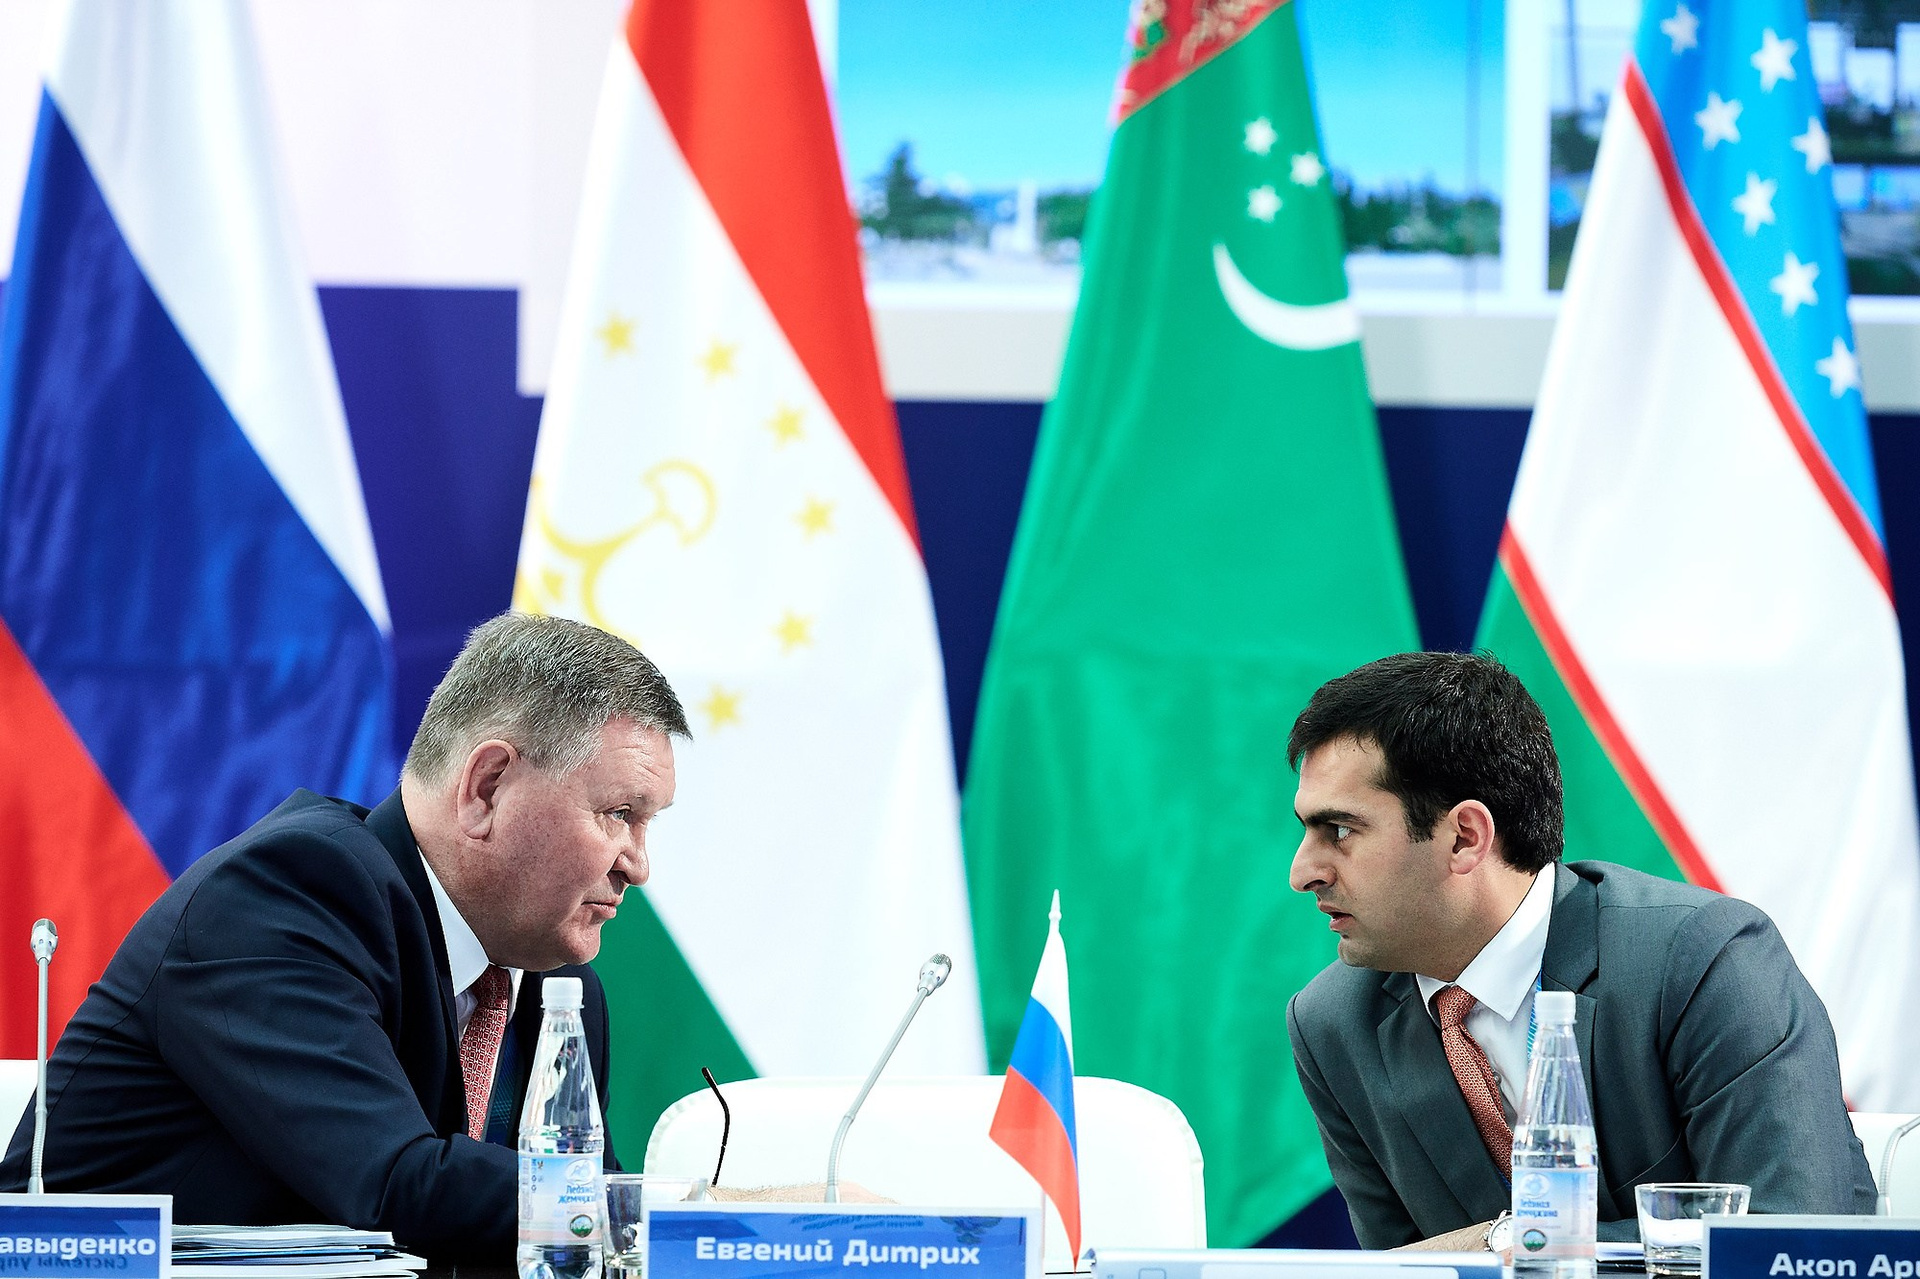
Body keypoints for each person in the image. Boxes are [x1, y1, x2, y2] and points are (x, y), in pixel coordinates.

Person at [0, 612, 686, 1261]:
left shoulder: (558, 991)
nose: (639, 865)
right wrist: (665, 1211)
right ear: (487, 787)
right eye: (619, 813)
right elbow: (393, 1182)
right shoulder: (286, 894)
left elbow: (579, 1227)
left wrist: (641, 1216)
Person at [1283, 651, 1875, 1251]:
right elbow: (1400, 1267)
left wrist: (1511, 1239)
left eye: (1341, 831)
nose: (1302, 873)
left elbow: (1789, 1239)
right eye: (1306, 830)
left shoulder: (1704, 961)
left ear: (1464, 837)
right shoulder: (1333, 1022)